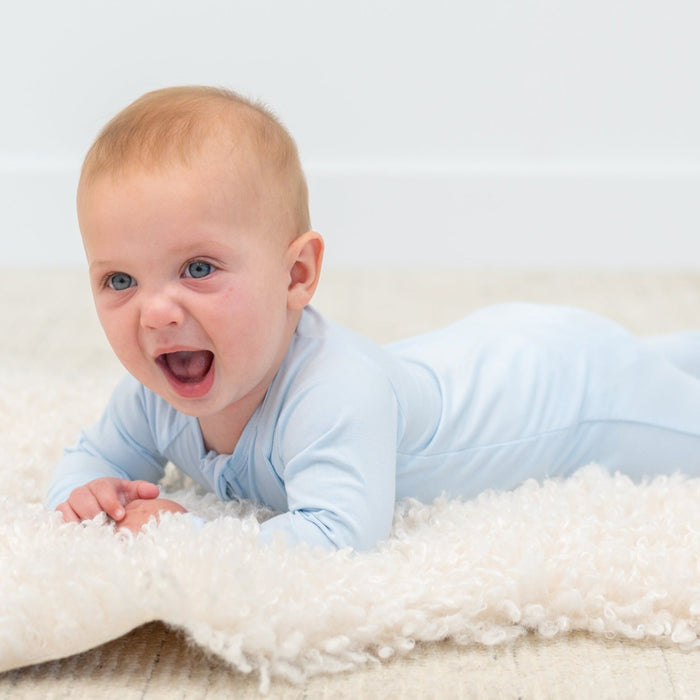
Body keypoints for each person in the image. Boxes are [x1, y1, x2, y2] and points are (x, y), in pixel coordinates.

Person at [46, 85, 700, 550]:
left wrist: (185, 540)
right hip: (489, 344)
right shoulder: (154, 395)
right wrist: (83, 496)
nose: (157, 312)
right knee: (666, 356)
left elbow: (337, 538)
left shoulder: (333, 392)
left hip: (569, 389)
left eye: (197, 269)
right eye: (120, 280)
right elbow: (92, 458)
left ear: (296, 276)